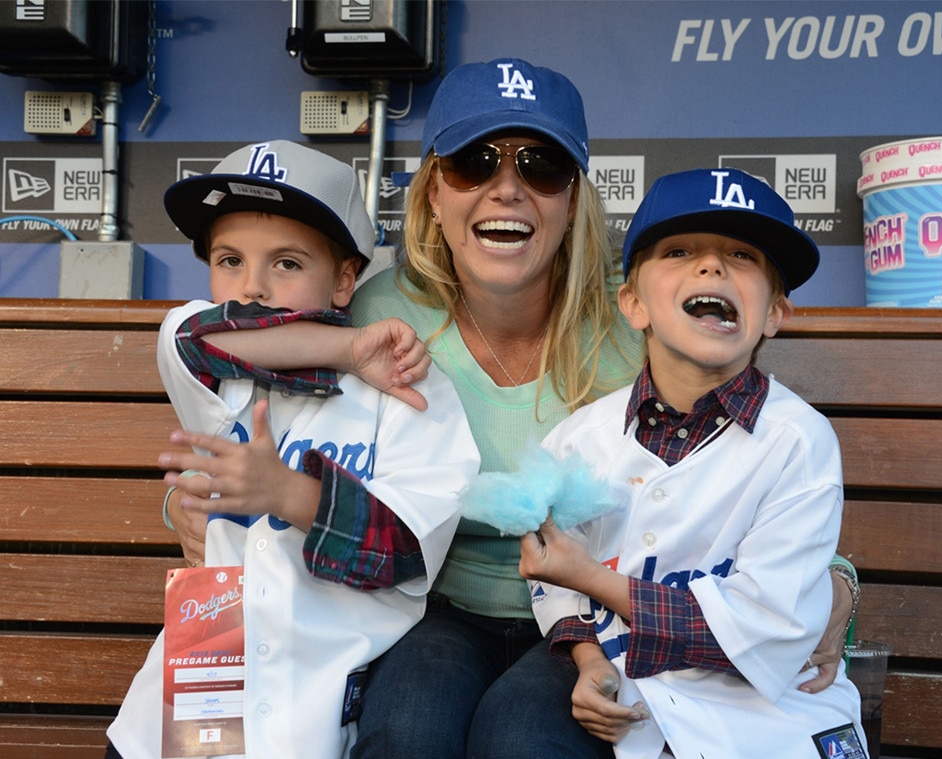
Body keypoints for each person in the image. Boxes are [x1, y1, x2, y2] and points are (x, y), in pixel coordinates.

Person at [165, 60, 857, 758]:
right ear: (434, 192)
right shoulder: (377, 316)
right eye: (473, 162)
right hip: (433, 604)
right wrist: (195, 506)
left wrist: (838, 584)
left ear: (573, 198)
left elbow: (733, 466)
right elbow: (251, 408)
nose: (507, 188)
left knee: (523, 738)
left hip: (594, 610)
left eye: (541, 165)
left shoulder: (641, 316)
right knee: (409, 730)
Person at [105, 140, 480, 759]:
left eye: (285, 263)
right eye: (229, 260)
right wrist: (348, 349)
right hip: (193, 689)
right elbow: (201, 335)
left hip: (318, 707)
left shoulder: (411, 388)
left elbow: (407, 550)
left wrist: (289, 495)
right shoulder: (206, 360)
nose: (251, 286)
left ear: (343, 279)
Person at [518, 167, 867, 758]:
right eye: (679, 251)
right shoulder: (581, 437)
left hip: (771, 714)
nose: (712, 267)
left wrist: (593, 578)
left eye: (742, 255)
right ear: (632, 304)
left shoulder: (799, 440)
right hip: (632, 696)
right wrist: (586, 658)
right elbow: (557, 589)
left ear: (775, 313)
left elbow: (763, 629)